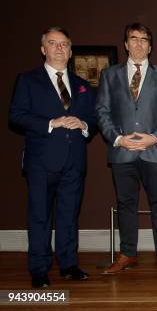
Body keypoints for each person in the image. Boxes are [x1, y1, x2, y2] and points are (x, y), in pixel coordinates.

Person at [9, 27, 96, 288]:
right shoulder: (28, 80)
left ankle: (69, 265)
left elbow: (93, 119)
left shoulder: (82, 85)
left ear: (70, 51)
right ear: (43, 49)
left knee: (69, 215)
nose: (59, 48)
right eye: (53, 43)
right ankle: (39, 269)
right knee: (40, 216)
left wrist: (83, 124)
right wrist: (51, 122)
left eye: (64, 44)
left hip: (74, 161)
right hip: (41, 161)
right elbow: (16, 116)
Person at [96, 23, 157, 274]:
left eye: (144, 40)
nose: (139, 43)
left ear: (151, 46)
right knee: (126, 204)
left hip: (155, 151)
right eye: (134, 38)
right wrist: (119, 139)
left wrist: (153, 138)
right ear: (126, 44)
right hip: (122, 152)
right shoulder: (109, 75)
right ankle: (127, 254)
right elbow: (102, 112)